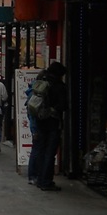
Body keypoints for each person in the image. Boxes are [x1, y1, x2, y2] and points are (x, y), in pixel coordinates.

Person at [32, 60, 68, 191]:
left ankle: (39, 178)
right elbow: (63, 105)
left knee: (41, 150)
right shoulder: (59, 86)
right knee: (50, 152)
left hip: (40, 120)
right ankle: (46, 181)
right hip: (53, 121)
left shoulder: (41, 80)